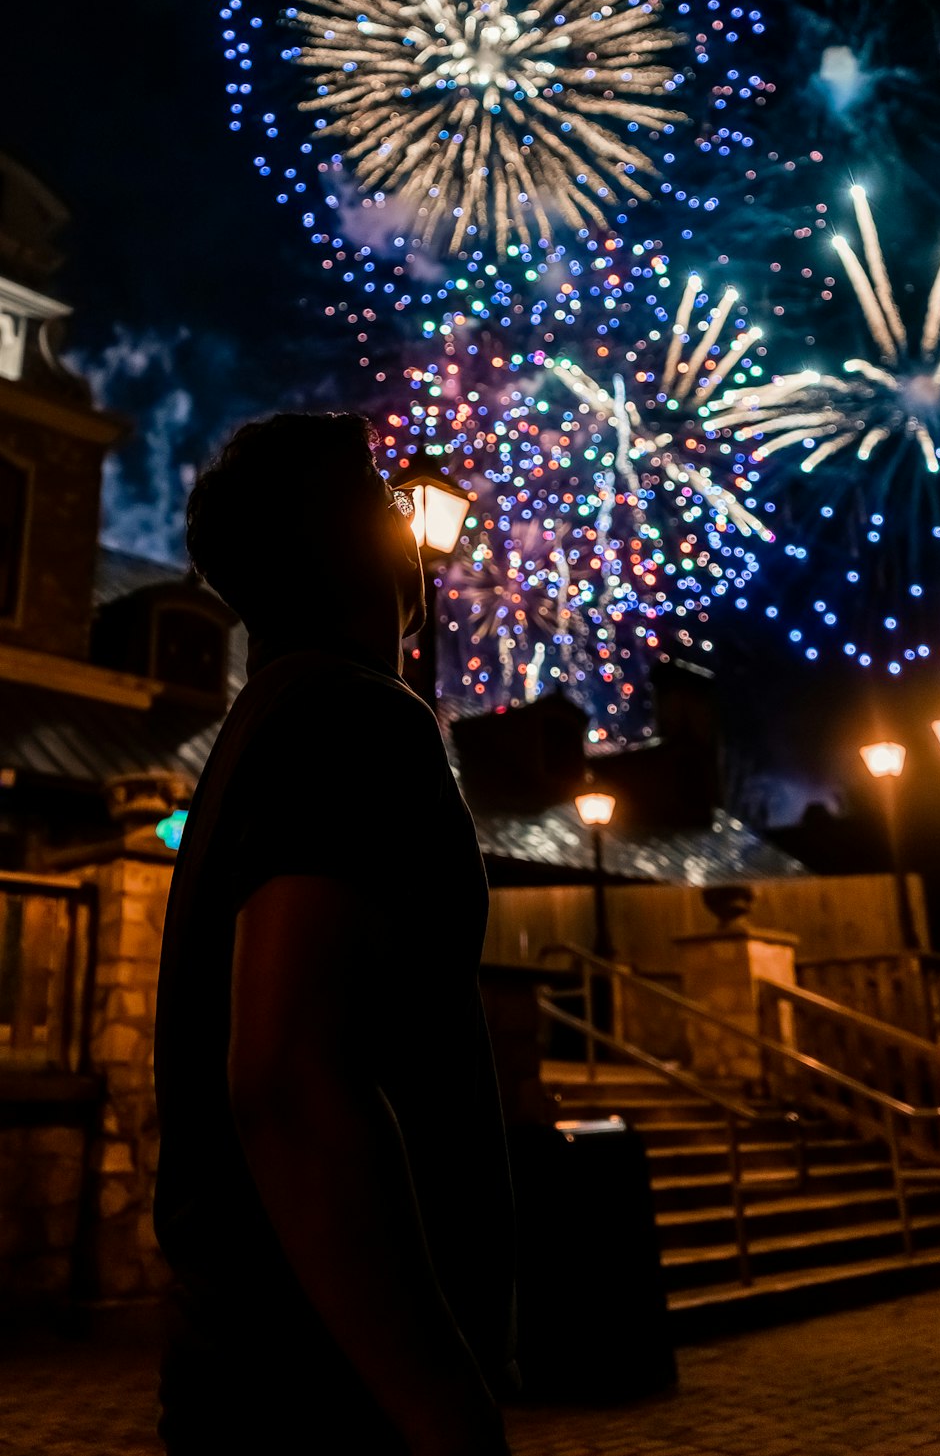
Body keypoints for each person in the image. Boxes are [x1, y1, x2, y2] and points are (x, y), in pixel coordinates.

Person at [153, 411, 517, 1455]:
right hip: (328, 1396)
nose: (406, 519)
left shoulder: (263, 724)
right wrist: (443, 1405)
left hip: (258, 1373)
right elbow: (286, 1077)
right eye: (377, 494)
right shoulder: (355, 717)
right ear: (335, 536)